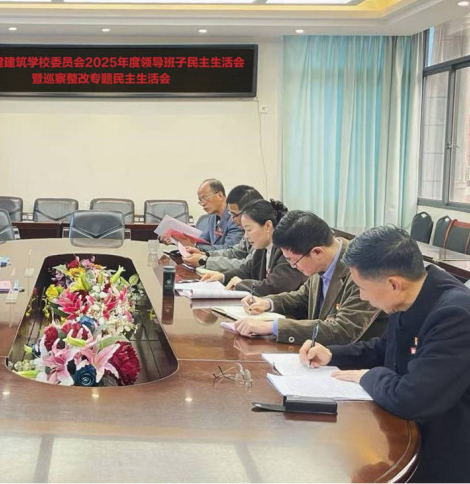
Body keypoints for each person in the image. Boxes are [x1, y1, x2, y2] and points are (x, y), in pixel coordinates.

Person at [301, 226, 470, 482]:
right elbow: (383, 349)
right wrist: (332, 355)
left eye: (362, 287)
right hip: (411, 431)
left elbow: (412, 398)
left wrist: (367, 376)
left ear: (393, 284)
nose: (361, 296)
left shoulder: (454, 315)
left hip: (448, 451)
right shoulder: (412, 296)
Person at [234, 210, 386, 344]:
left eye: (293, 261)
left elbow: (343, 330)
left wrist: (273, 327)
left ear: (317, 252)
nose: (293, 266)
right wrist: (268, 302)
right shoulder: (322, 260)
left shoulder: (361, 270)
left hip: (354, 361)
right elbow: (302, 297)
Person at [199, 199, 307, 296]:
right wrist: (222, 276)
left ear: (268, 226)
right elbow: (246, 270)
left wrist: (242, 284)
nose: (246, 236)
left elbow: (276, 286)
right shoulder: (262, 247)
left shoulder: (287, 249)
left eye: (249, 230)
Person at [183, 185, 263, 270]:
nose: (232, 219)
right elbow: (235, 252)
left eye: (205, 198)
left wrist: (205, 260)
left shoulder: (262, 233)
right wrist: (205, 254)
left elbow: (248, 266)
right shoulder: (213, 217)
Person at [159, 179, 243, 250]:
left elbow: (229, 249)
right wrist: (176, 238)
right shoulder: (213, 217)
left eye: (205, 198)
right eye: (200, 201)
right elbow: (204, 240)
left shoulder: (236, 217)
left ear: (219, 195)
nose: (203, 204)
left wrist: (195, 246)